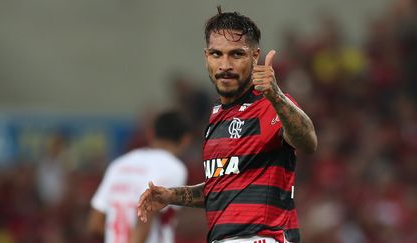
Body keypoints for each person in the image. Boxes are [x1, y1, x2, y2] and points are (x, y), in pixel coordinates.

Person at [137, 7, 317, 243]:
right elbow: (219, 188)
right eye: (216, 54)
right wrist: (172, 195)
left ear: (254, 57)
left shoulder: (268, 103)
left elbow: (308, 142)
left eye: (236, 54)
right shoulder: (215, 117)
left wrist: (276, 96)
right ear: (206, 57)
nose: (225, 65)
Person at [88, 110, 191, 243]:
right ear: (185, 140)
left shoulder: (118, 165)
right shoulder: (174, 168)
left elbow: (94, 224)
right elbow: (145, 219)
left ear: (151, 134)